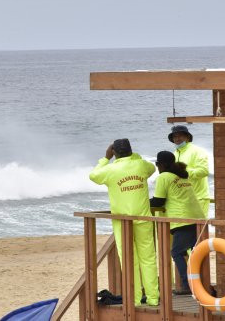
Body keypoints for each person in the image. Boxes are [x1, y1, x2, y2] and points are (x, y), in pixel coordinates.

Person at [89, 138, 159, 307]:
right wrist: (132, 156)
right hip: (143, 218)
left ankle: (134, 299)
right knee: (148, 258)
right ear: (130, 150)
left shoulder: (111, 169)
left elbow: (93, 176)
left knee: (129, 260)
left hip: (123, 221)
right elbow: (152, 168)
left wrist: (105, 158)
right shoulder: (141, 165)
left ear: (114, 152)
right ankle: (153, 298)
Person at [149, 151, 205, 295]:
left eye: (157, 164)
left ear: (162, 164)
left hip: (182, 219)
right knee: (195, 253)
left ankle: (187, 285)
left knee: (176, 252)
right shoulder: (181, 175)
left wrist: (141, 202)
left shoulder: (164, 177)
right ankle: (199, 285)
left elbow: (158, 201)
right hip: (198, 217)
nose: (157, 167)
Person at [168, 126, 211, 217]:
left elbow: (204, 171)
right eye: (175, 136)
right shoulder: (174, 154)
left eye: (180, 136)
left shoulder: (197, 151)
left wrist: (183, 170)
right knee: (187, 229)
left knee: (200, 228)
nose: (177, 139)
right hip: (183, 200)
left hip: (199, 198)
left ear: (187, 137)